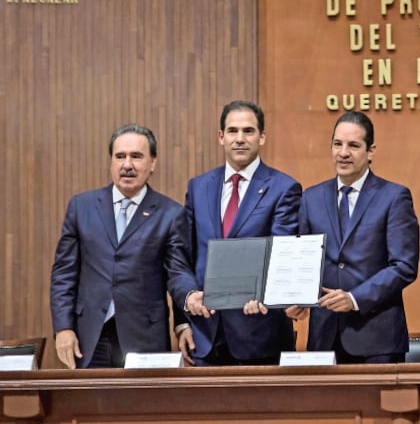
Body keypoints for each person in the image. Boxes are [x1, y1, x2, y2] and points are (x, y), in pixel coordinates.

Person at [50, 124, 198, 368]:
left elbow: (178, 273)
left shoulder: (171, 214)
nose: (127, 165)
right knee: (89, 406)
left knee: (140, 407)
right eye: (120, 156)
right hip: (89, 337)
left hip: (145, 338)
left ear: (152, 163)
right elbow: (64, 274)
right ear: (111, 162)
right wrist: (64, 327)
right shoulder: (81, 207)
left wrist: (183, 323)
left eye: (136, 156)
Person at [285, 111, 420, 363]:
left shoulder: (394, 197)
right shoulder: (311, 198)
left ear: (371, 151)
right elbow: (303, 260)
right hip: (323, 338)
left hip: (377, 339)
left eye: (353, 146)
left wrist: (354, 298)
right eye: (338, 144)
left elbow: (404, 266)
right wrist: (297, 298)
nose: (343, 153)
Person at [180, 100, 301, 365]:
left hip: (259, 334)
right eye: (232, 131)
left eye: (248, 131)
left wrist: (264, 294)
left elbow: (282, 254)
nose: (240, 139)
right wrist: (188, 302)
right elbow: (182, 257)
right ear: (220, 137)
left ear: (262, 137)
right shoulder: (199, 187)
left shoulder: (284, 188)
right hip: (206, 334)